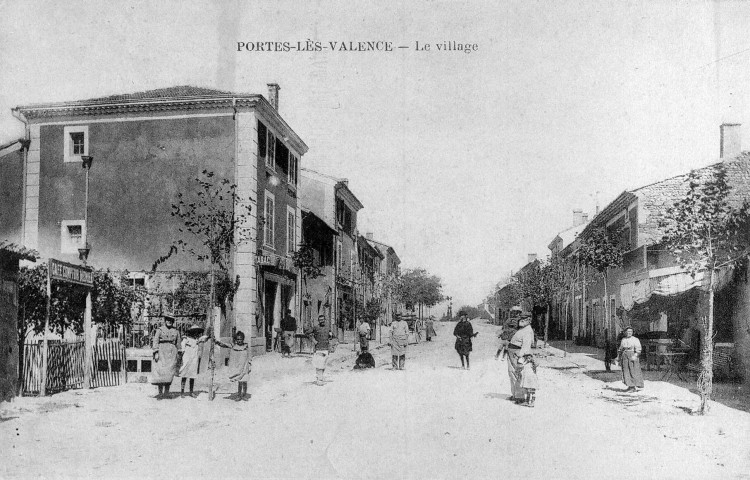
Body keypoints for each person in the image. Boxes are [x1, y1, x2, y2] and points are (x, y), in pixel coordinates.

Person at [507, 313, 537, 406]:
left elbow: (526, 347)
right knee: (512, 373)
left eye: (524, 319)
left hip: (517, 354)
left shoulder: (528, 331)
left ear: (529, 320)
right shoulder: (523, 329)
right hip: (512, 352)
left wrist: (520, 357)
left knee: (518, 374)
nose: (521, 321)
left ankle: (520, 397)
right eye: (521, 319)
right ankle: (515, 394)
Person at [151, 314, 182, 399]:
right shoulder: (160, 330)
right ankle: (160, 393)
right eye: (167, 320)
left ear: (173, 322)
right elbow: (156, 341)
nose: (169, 321)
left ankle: (166, 393)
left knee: (169, 372)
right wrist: (156, 352)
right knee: (160, 372)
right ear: (165, 321)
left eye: (171, 320)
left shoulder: (176, 331)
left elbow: (178, 343)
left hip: (172, 353)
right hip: (161, 352)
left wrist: (179, 353)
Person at [215, 331, 252, 401]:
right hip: (238, 366)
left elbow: (249, 355)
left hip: (245, 366)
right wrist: (217, 342)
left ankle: (244, 394)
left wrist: (249, 363)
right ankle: (239, 395)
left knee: (245, 380)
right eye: (238, 339)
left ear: (243, 339)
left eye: (240, 339)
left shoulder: (246, 346)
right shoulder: (234, 346)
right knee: (240, 381)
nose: (239, 341)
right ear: (236, 340)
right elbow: (224, 345)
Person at [178, 324, 209, 397]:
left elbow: (204, 338)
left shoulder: (197, 339)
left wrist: (208, 336)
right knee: (184, 373)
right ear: (190, 332)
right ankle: (182, 391)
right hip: (187, 356)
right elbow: (182, 346)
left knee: (192, 374)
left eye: (197, 332)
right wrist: (182, 352)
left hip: (194, 357)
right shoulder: (186, 338)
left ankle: (191, 391)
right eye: (194, 331)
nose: (195, 333)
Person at [306, 314, 334, 386]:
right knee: (319, 364)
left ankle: (320, 377)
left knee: (323, 364)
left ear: (325, 320)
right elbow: (307, 333)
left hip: (326, 348)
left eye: (323, 320)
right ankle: (319, 379)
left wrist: (331, 339)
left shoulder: (328, 328)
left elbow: (332, 336)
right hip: (318, 348)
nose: (322, 321)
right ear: (318, 321)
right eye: (320, 320)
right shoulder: (315, 328)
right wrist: (313, 340)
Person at [617, 326, 644, 392]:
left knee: (633, 371)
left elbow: (638, 349)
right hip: (625, 356)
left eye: (631, 331)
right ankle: (630, 385)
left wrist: (635, 355)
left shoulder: (635, 339)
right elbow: (620, 349)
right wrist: (618, 357)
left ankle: (633, 387)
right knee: (626, 371)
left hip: (632, 356)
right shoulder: (623, 339)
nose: (629, 333)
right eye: (628, 331)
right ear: (625, 332)